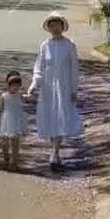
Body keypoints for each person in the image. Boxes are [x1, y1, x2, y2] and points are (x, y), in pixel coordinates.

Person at [27, 11, 83, 171]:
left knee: (60, 116)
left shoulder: (70, 46)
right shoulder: (45, 46)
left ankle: (55, 152)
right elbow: (39, 68)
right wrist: (33, 85)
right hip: (48, 87)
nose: (55, 28)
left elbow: (74, 70)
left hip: (64, 87)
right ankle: (54, 150)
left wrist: (74, 89)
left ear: (62, 26)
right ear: (49, 28)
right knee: (50, 116)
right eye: (52, 25)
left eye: (57, 25)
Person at [0, 69, 26, 171]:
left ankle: (14, 162)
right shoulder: (4, 96)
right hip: (6, 121)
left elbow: (28, 98)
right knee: (4, 142)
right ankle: (6, 159)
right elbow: (0, 110)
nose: (15, 88)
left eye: (18, 86)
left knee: (15, 142)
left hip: (17, 120)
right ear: (8, 84)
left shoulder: (20, 95)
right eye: (13, 85)